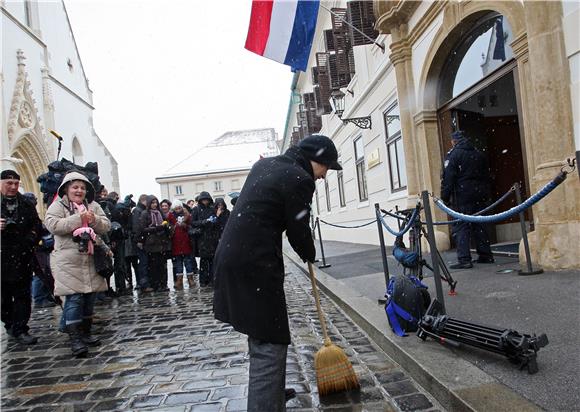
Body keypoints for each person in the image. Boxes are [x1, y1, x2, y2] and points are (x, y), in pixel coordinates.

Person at [213, 135, 342, 411]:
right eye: (327, 168)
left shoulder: (266, 165)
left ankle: (269, 393)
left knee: (260, 335)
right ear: (315, 161)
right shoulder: (299, 178)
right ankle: (265, 404)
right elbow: (298, 227)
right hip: (254, 265)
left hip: (232, 257)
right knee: (270, 342)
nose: (324, 176)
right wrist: (309, 253)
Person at [45, 172, 111, 357]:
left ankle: (86, 332)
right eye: (75, 187)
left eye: (82, 187)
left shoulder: (93, 205)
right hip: (68, 260)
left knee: (89, 298)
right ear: (66, 188)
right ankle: (75, 338)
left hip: (91, 259)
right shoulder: (58, 205)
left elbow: (106, 225)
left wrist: (94, 220)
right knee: (74, 298)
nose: (79, 190)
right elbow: (52, 225)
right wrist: (79, 219)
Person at [441, 130, 494, 269]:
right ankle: (485, 255)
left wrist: (444, 198)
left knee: (461, 226)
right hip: (479, 195)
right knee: (480, 224)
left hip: (462, 195)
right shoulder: (479, 154)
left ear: (454, 141)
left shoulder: (453, 155)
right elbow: (486, 175)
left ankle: (464, 259)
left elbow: (448, 179)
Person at [1, 170, 41, 344]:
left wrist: (30, 239)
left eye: (16, 183)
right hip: (2, 257)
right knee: (4, 297)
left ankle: (21, 328)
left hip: (22, 255)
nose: (13, 187)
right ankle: (9, 323)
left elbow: (37, 225)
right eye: (9, 183)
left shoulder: (25, 203)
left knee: (23, 295)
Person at [23, 192, 57, 309]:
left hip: (41, 247)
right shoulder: (25, 212)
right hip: (35, 248)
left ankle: (46, 295)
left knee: (45, 272)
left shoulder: (31, 213)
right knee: (39, 274)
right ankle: (39, 298)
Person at [137, 196, 171, 291]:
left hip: (161, 243)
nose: (155, 205)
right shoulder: (145, 214)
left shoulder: (160, 213)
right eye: (152, 203)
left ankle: (163, 284)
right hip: (151, 244)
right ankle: (156, 284)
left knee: (163, 266)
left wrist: (165, 227)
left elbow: (166, 224)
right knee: (153, 266)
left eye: (156, 202)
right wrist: (156, 228)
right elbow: (142, 229)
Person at [190, 192, 218, 287]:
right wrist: (204, 222)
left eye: (207, 200)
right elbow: (193, 222)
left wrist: (214, 221)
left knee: (212, 260)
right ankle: (203, 280)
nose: (205, 201)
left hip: (212, 237)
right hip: (202, 237)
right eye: (203, 200)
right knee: (204, 260)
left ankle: (212, 279)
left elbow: (216, 222)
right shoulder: (196, 209)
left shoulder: (212, 209)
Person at [166, 199, 194, 290]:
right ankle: (179, 280)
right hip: (176, 242)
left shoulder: (187, 215)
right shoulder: (170, 216)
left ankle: (190, 279)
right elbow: (168, 228)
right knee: (178, 263)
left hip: (186, 241)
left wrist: (185, 226)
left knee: (188, 262)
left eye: (179, 208)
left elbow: (191, 226)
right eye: (176, 208)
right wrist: (172, 228)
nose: (178, 210)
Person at [131, 194, 153, 292]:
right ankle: (144, 284)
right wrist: (139, 240)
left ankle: (144, 283)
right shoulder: (138, 211)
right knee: (143, 263)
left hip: (143, 240)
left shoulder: (139, 210)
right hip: (141, 240)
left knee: (144, 262)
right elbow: (137, 227)